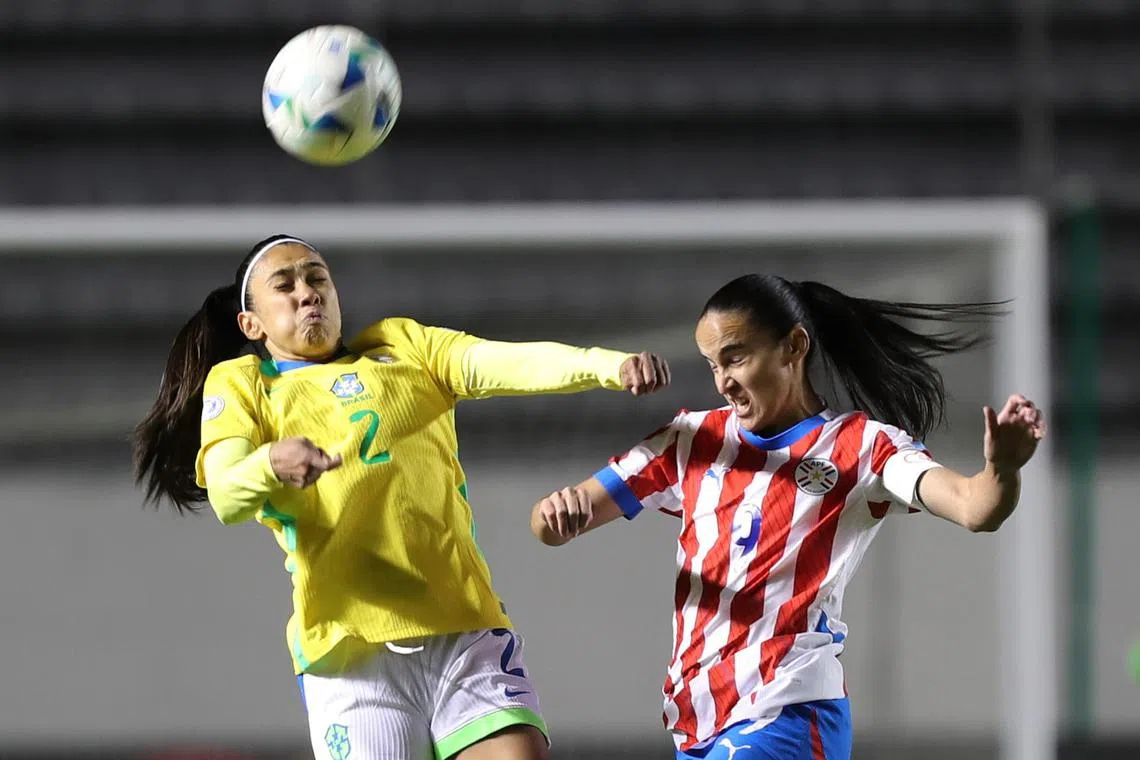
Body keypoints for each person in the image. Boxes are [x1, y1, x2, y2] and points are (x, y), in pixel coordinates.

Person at [131, 234, 671, 760]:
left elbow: (503, 362)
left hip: (464, 631)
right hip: (350, 657)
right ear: (251, 323)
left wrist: (607, 365)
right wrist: (272, 462)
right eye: (286, 284)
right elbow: (226, 493)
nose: (308, 292)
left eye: (318, 278)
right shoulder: (246, 383)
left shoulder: (402, 347)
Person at [529, 274, 1045, 760]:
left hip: (788, 707)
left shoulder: (863, 446)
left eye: (735, 358)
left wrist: (1003, 467)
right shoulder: (692, 439)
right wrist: (556, 514)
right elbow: (554, 523)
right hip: (697, 718)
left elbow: (975, 507)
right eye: (712, 365)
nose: (724, 382)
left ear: (794, 347)